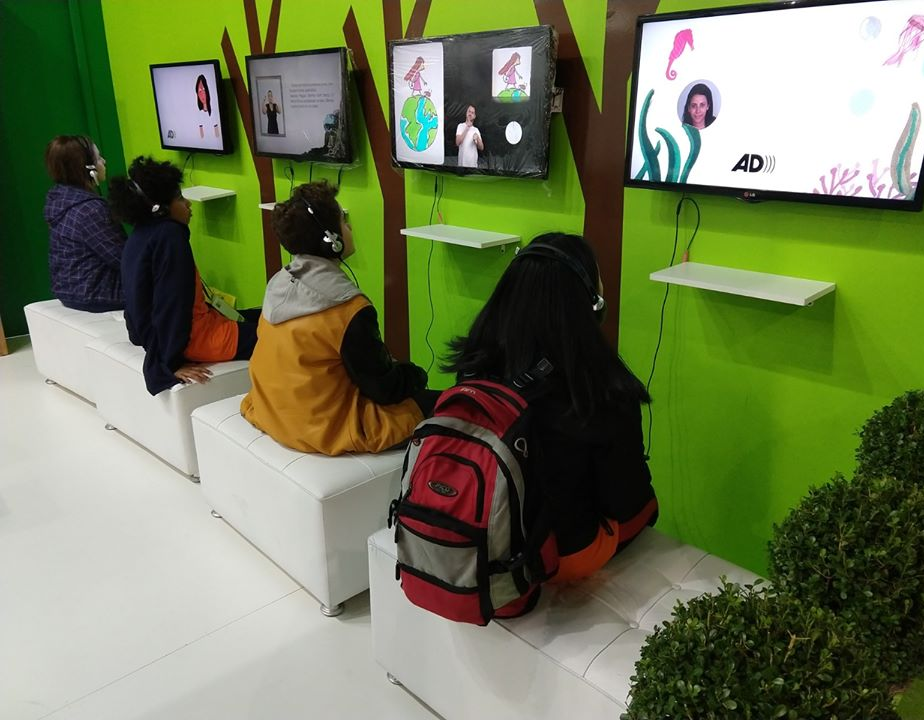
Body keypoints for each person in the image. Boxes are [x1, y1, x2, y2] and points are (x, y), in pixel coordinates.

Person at [444, 232, 658, 582]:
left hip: (478, 534)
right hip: (559, 558)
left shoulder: (474, 364)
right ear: (589, 302)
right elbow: (627, 503)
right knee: (647, 508)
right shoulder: (603, 391)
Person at [240, 181, 437, 455]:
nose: (350, 228)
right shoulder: (349, 308)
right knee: (447, 403)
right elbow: (383, 389)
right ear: (332, 241)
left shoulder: (278, 283)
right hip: (322, 427)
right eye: (344, 222)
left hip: (271, 411)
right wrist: (416, 375)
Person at [108, 156, 259, 395]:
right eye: (179, 199)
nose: (188, 204)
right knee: (280, 334)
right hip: (197, 338)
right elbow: (171, 306)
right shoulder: (170, 238)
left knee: (262, 313)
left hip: (192, 328)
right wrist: (170, 364)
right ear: (160, 208)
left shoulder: (141, 235)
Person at [43, 135, 125, 312]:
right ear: (90, 170)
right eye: (98, 158)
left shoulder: (59, 198)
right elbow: (122, 259)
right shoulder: (91, 210)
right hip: (96, 293)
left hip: (68, 291)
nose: (103, 161)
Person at [195, 74, 219, 139]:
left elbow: (217, 135)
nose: (202, 94)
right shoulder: (199, 114)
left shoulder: (213, 112)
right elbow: (201, 136)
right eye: (199, 91)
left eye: (204, 90)